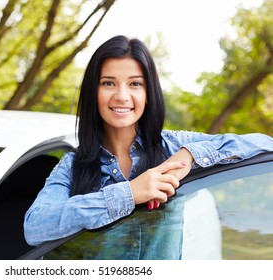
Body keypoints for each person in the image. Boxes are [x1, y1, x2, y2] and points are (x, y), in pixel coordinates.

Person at [24, 35, 273, 253]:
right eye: (108, 83)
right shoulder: (73, 165)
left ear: (148, 93)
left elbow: (264, 143)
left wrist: (189, 155)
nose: (122, 96)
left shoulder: (172, 146)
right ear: (93, 91)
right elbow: (35, 227)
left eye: (135, 84)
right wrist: (130, 193)